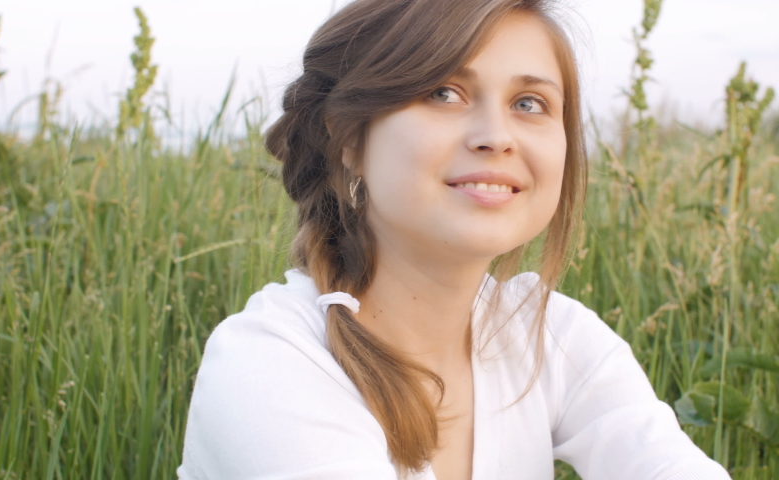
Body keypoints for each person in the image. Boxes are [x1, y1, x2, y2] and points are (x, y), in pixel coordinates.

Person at [177, 0, 732, 478]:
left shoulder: (551, 336)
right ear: (349, 138)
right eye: (444, 93)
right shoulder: (269, 365)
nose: (496, 137)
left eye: (529, 104)